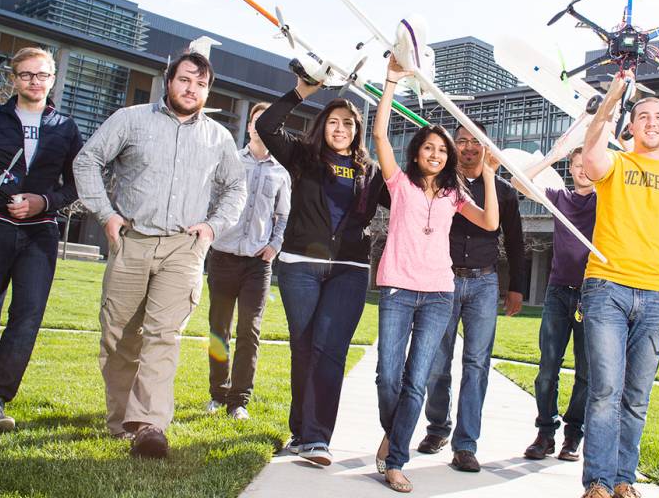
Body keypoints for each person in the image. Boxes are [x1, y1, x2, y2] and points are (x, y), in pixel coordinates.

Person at [73, 51, 246, 458]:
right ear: (169, 80)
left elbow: (236, 188)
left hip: (183, 249)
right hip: (131, 240)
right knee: (118, 338)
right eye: (185, 80)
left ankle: (150, 425)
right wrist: (106, 214)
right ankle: (121, 421)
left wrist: (212, 227)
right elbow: (88, 160)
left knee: (164, 336)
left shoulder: (219, 137)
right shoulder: (130, 119)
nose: (192, 89)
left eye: (201, 84)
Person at [372, 56, 499, 493]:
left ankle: (396, 458)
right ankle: (395, 432)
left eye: (442, 150)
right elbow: (379, 135)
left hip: (439, 295)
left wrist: (488, 175)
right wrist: (391, 81)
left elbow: (490, 224)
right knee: (389, 375)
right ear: (417, 152)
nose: (436, 153)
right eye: (429, 147)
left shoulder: (454, 193)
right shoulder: (399, 184)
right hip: (397, 290)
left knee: (418, 377)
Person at [579, 72, 659, 498]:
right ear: (630, 127)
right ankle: (597, 480)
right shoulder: (616, 164)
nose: (651, 121)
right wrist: (612, 99)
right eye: (643, 115)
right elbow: (591, 153)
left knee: (636, 397)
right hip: (606, 289)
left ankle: (623, 481)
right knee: (605, 391)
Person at [255, 76, 389, 466]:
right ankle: (300, 431)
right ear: (322, 125)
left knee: (329, 350)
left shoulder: (370, 171)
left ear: (357, 131)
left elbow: (402, 202)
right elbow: (266, 126)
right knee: (304, 348)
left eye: (348, 123)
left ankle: (316, 438)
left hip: (348, 269)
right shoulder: (302, 157)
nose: (341, 129)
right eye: (334, 121)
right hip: (300, 265)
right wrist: (301, 91)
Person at [416, 121, 525, 471]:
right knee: (436, 360)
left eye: (474, 141)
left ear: (486, 147)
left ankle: (466, 444)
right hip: (442, 282)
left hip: (483, 283)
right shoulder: (442, 184)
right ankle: (437, 428)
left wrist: (516, 287)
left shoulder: (504, 191)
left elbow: (517, 243)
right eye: (460, 141)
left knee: (477, 364)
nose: (467, 147)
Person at [0, 47, 82, 432]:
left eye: (42, 75)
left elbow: (76, 183)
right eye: (27, 75)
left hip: (40, 234)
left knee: (27, 316)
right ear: (14, 78)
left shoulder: (66, 127)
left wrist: (42, 202)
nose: (35, 82)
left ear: (52, 80)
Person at [205, 102, 291, 421]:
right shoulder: (229, 161)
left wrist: (274, 246)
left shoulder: (282, 171)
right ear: (250, 126)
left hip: (258, 264)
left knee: (249, 330)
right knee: (219, 329)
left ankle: (239, 400)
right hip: (223, 256)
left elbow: (283, 216)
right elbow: (212, 201)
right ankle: (218, 393)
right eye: (258, 121)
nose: (263, 126)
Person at [510, 147, 595, 462]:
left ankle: (573, 435)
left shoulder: (607, 200)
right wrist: (552, 157)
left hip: (593, 295)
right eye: (577, 164)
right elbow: (520, 183)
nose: (584, 169)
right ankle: (545, 432)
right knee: (547, 368)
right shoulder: (560, 197)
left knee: (586, 372)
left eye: (589, 163)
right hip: (558, 293)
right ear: (570, 168)